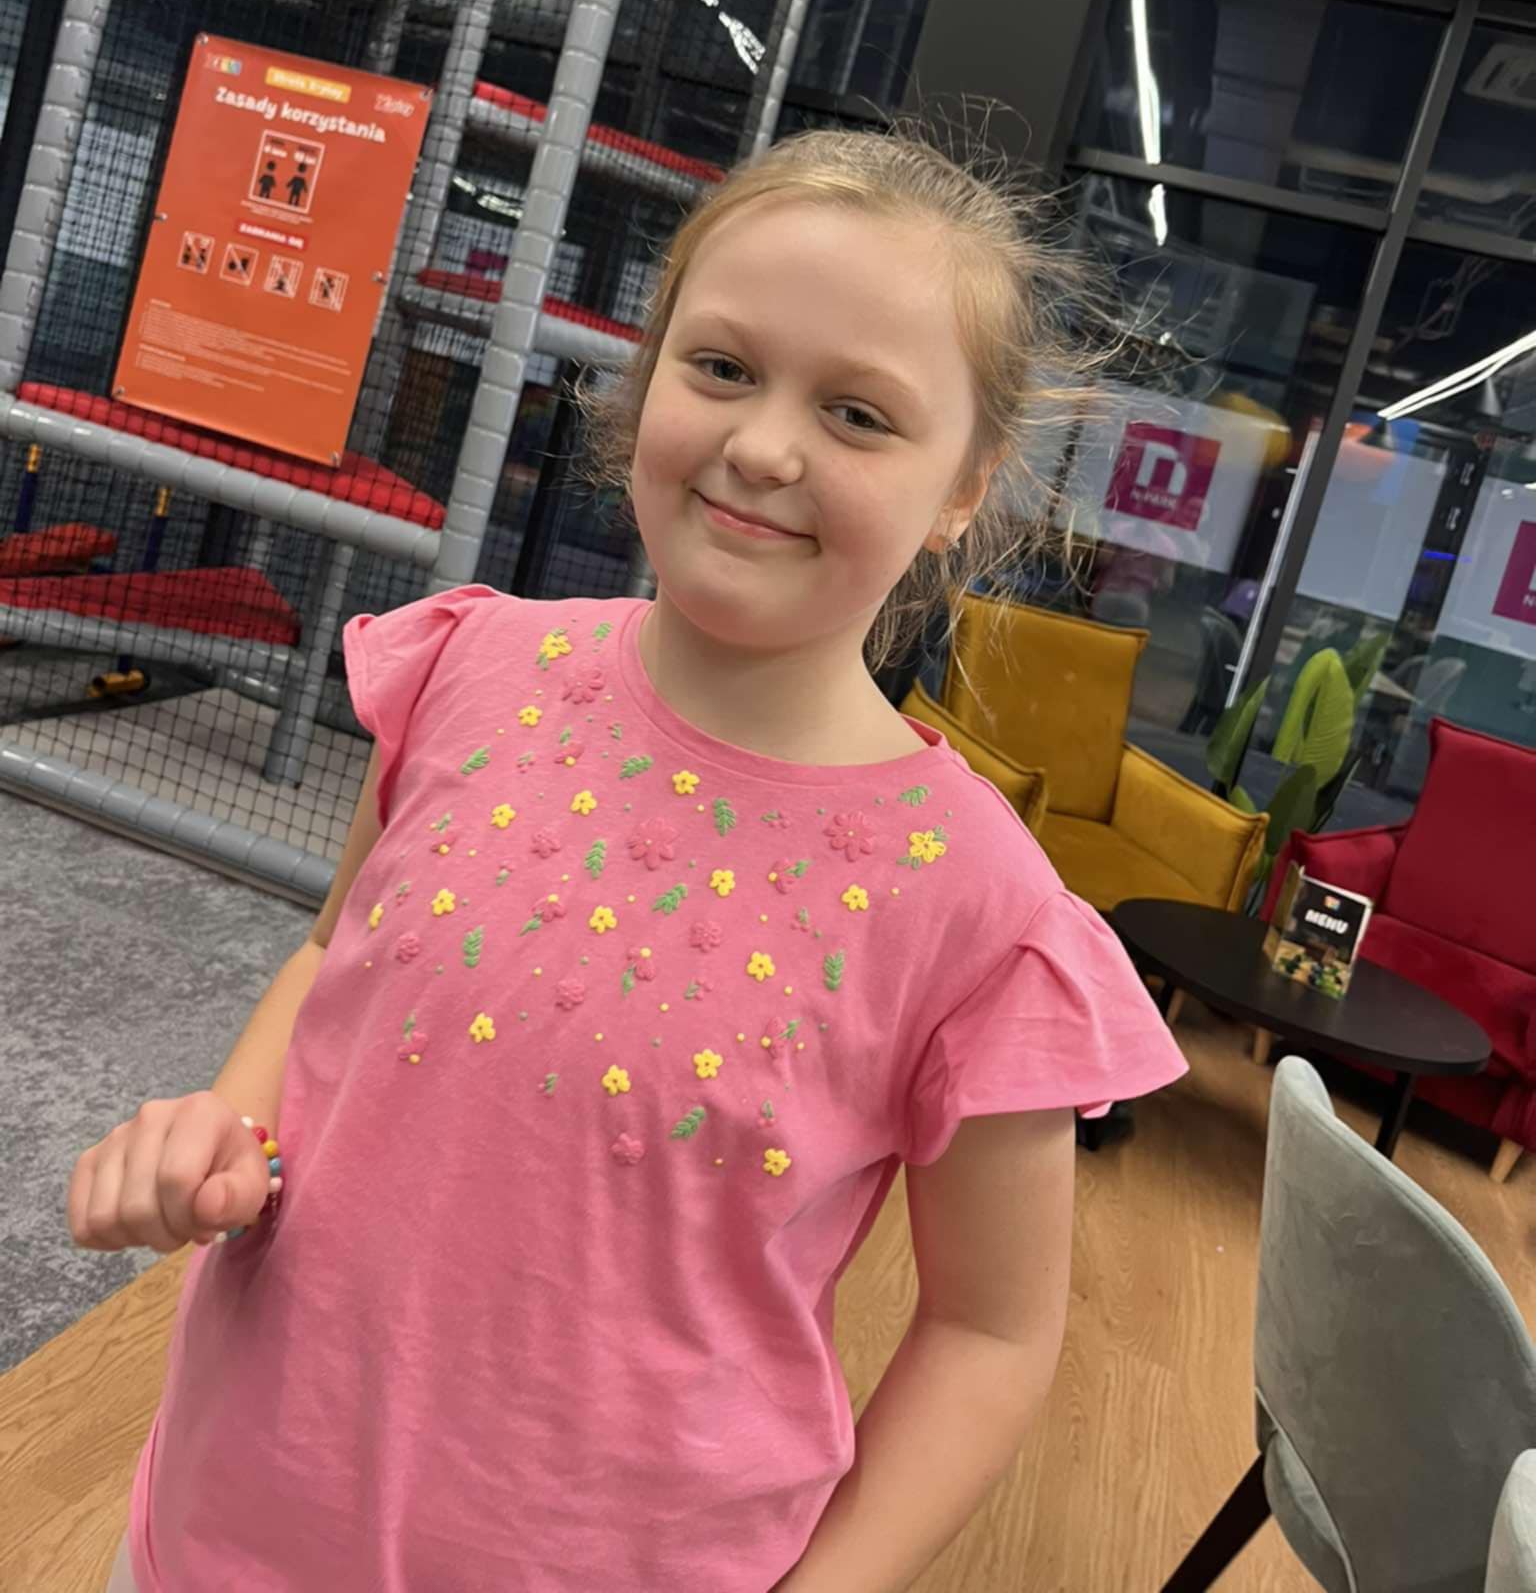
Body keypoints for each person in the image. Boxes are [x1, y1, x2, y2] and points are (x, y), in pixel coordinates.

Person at [71, 125, 1186, 1593]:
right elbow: (334, 955)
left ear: (966, 486)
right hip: (222, 1523)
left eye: (858, 414)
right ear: (650, 376)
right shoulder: (466, 672)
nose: (765, 446)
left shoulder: (976, 909)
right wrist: (223, 1127)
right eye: (722, 366)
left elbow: (991, 1329)